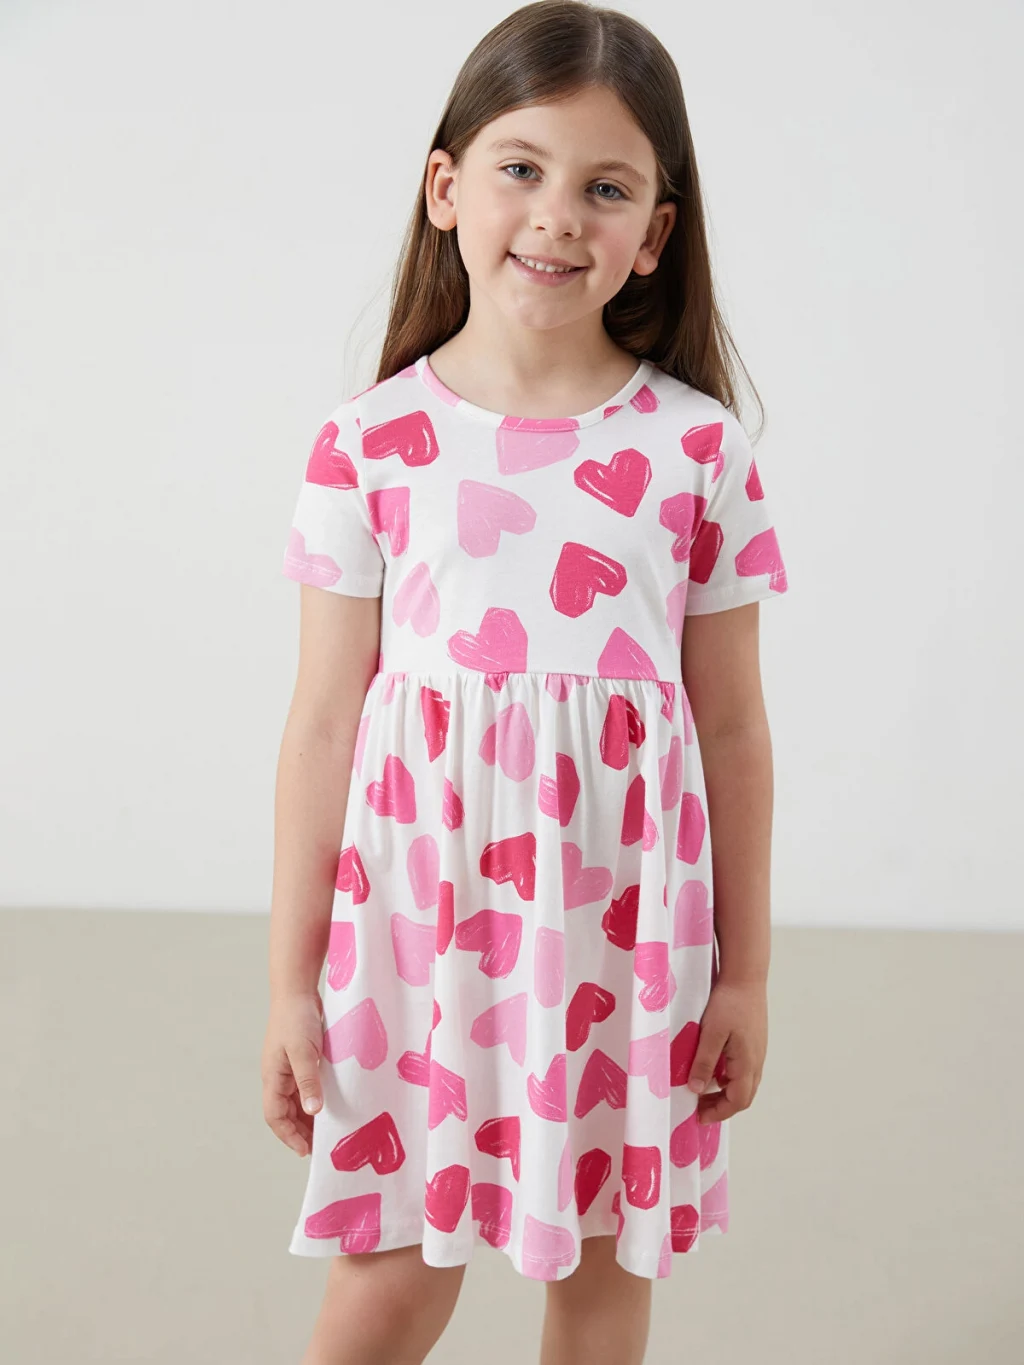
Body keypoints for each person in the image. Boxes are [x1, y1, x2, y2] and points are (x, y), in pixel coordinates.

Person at [264, 2, 790, 1361]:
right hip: (418, 940)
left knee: (603, 1279)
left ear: (654, 234)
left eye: (606, 188)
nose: (558, 215)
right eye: (521, 168)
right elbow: (322, 724)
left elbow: (733, 726)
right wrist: (290, 983)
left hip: (628, 942)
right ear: (446, 187)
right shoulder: (368, 443)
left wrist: (743, 977)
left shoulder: (697, 453)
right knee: (388, 1283)